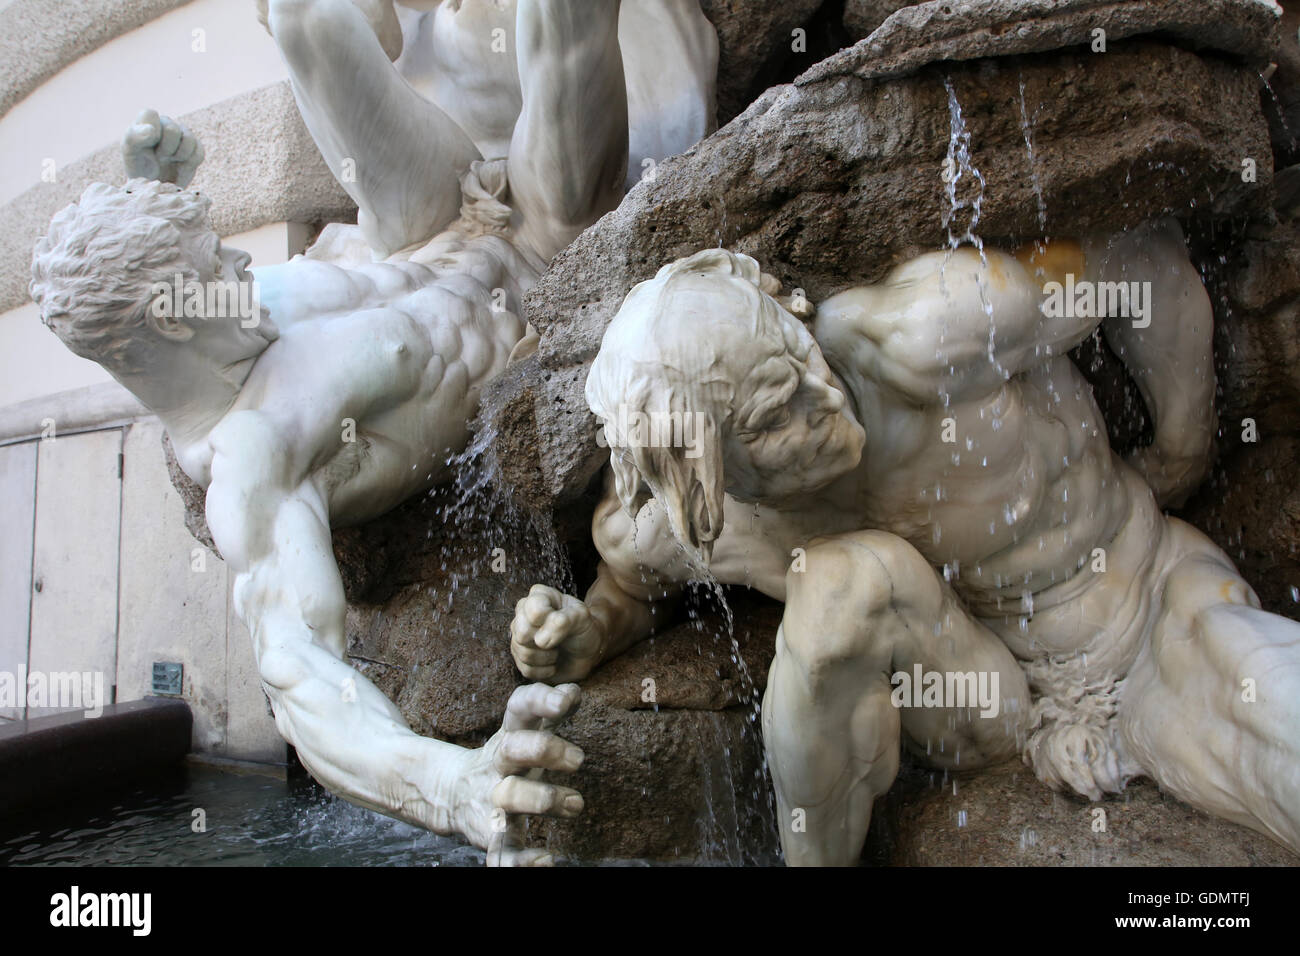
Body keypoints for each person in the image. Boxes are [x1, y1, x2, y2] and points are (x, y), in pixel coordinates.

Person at [31, 0, 710, 865]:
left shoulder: (231, 313)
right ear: (171, 322)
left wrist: (158, 202)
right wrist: (453, 788)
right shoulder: (257, 459)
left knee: (303, 17)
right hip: (546, 244)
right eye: (216, 264)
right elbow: (303, 682)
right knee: (564, 18)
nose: (244, 261)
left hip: (425, 222)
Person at [511, 234, 1300, 864]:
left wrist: (1182, 453)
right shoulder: (695, 524)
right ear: (712, 487)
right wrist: (590, 630)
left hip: (1147, 604)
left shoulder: (935, 330)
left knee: (1268, 700)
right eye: (772, 419)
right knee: (840, 584)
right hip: (990, 699)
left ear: (780, 303)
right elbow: (633, 586)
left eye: (795, 353)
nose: (823, 402)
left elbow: (1141, 265)